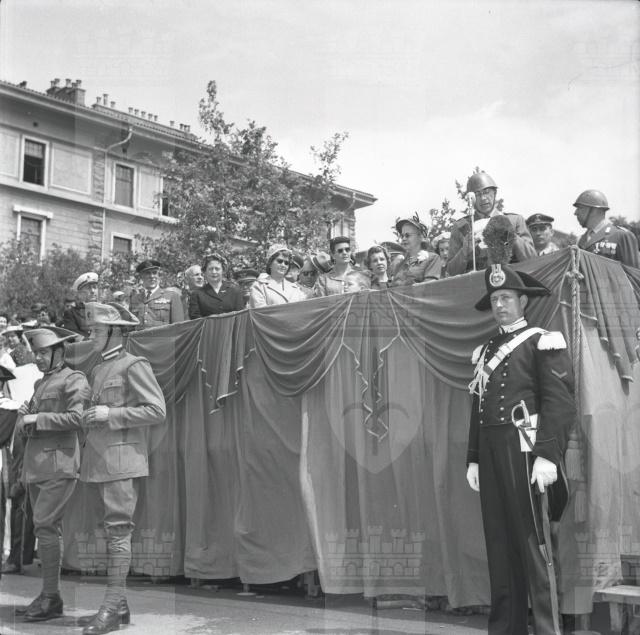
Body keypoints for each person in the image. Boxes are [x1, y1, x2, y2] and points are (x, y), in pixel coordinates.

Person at [466, 264, 575, 635]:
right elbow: (477, 406)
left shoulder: (542, 341)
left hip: (525, 450)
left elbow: (560, 402)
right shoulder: (486, 350)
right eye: (495, 299)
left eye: (507, 298)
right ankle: (505, 629)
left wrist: (547, 453)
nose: (500, 305)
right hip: (491, 452)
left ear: (523, 301)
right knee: (499, 544)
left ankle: (546, 629)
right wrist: (474, 457)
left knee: (534, 545)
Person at [79, 301, 166, 634]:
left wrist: (111, 414)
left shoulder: (133, 365)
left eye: (97, 330)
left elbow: (156, 410)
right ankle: (121, 604)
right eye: (91, 330)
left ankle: (111, 609)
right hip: (98, 461)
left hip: (122, 461)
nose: (91, 336)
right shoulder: (97, 369)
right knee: (109, 534)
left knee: (117, 533)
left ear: (115, 332)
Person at [12, 327, 90, 621]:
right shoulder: (40, 383)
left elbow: (78, 418)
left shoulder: (74, 379)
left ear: (59, 352)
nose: (38, 358)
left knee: (46, 526)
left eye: (43, 352)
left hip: (59, 464)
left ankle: (51, 597)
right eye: (36, 353)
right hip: (38, 465)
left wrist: (38, 417)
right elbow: (33, 426)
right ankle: (49, 594)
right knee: (44, 528)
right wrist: (26, 417)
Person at [447, 172, 536, 276]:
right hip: (475, 282)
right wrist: (464, 252)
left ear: (495, 193)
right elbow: (451, 271)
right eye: (477, 194)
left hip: (510, 279)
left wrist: (511, 235)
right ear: (471, 199)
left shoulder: (514, 221)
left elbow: (533, 260)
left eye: (487, 192)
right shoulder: (461, 227)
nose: (483, 198)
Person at [574, 189, 640, 268]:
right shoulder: (580, 240)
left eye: (580, 208)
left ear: (594, 210)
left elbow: (633, 273)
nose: (575, 213)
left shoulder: (622, 236)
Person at [129, 260, 185, 328]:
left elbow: (178, 327)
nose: (152, 276)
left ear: (158, 275)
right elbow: (130, 326)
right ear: (141, 276)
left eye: (154, 273)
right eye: (148, 273)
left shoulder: (172, 296)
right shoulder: (134, 299)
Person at [188, 254, 245, 318]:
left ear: (223, 271)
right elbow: (195, 319)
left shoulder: (235, 291)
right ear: (205, 272)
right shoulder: (197, 294)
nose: (214, 272)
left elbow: (241, 316)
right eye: (210, 269)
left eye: (217, 269)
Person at [391, 215, 442, 286]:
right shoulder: (400, 263)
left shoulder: (432, 258)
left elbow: (429, 286)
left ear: (421, 237)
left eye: (407, 235)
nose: (404, 238)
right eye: (402, 236)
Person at [61, 272, 100, 338]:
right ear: (79, 294)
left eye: (95, 287)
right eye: (88, 288)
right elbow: (73, 337)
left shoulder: (106, 310)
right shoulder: (71, 313)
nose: (93, 291)